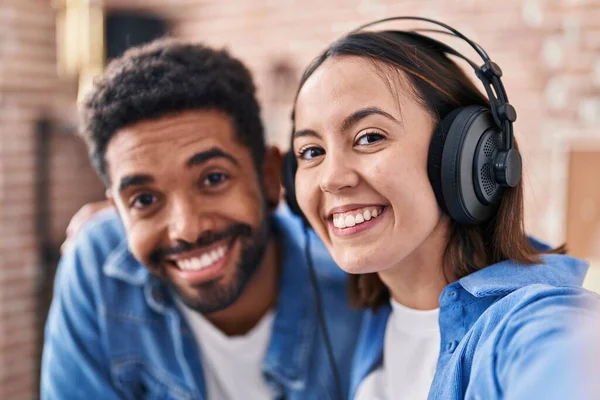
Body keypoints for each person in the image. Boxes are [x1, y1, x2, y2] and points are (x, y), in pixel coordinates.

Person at [285, 17, 600, 400]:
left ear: (468, 155)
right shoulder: (364, 320)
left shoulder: (541, 326)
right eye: (311, 151)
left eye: (369, 137)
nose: (331, 179)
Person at [41, 39, 363, 400]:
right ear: (119, 212)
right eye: (145, 200)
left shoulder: (355, 280)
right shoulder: (97, 262)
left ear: (271, 177)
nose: (187, 229)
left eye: (213, 179)